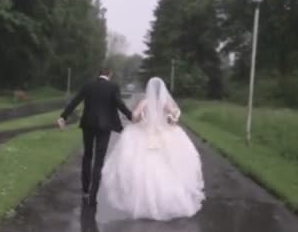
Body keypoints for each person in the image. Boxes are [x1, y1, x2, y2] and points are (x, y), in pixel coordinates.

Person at [99, 77, 205, 221]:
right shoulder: (165, 103)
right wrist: (171, 121)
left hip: (146, 135)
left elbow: (135, 117)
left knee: (145, 170)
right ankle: (168, 200)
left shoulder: (145, 102)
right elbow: (175, 117)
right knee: (167, 168)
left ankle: (146, 204)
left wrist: (140, 119)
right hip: (163, 136)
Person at [58, 68, 133, 206]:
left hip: (88, 124)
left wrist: (63, 116)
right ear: (110, 74)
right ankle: (93, 192)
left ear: (98, 74)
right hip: (105, 127)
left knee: (87, 155)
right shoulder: (113, 86)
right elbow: (119, 104)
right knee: (99, 159)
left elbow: (75, 101)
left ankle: (85, 189)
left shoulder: (88, 85)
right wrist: (131, 116)